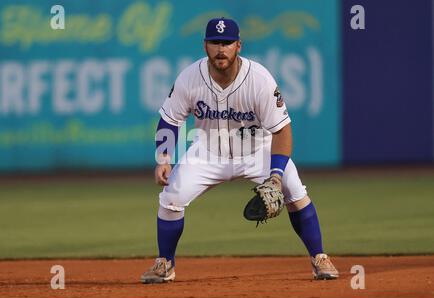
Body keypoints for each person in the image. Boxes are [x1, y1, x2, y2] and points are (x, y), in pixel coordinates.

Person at [140, 17, 339, 284]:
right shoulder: (190, 77)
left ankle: (319, 258)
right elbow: (170, 119)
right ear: (205, 46)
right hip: (208, 151)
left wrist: (276, 175)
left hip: (257, 150)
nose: (221, 49)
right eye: (215, 42)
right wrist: (164, 158)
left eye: (227, 42)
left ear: (238, 45)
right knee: (171, 197)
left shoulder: (259, 79)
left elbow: (282, 131)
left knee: (295, 192)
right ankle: (165, 264)